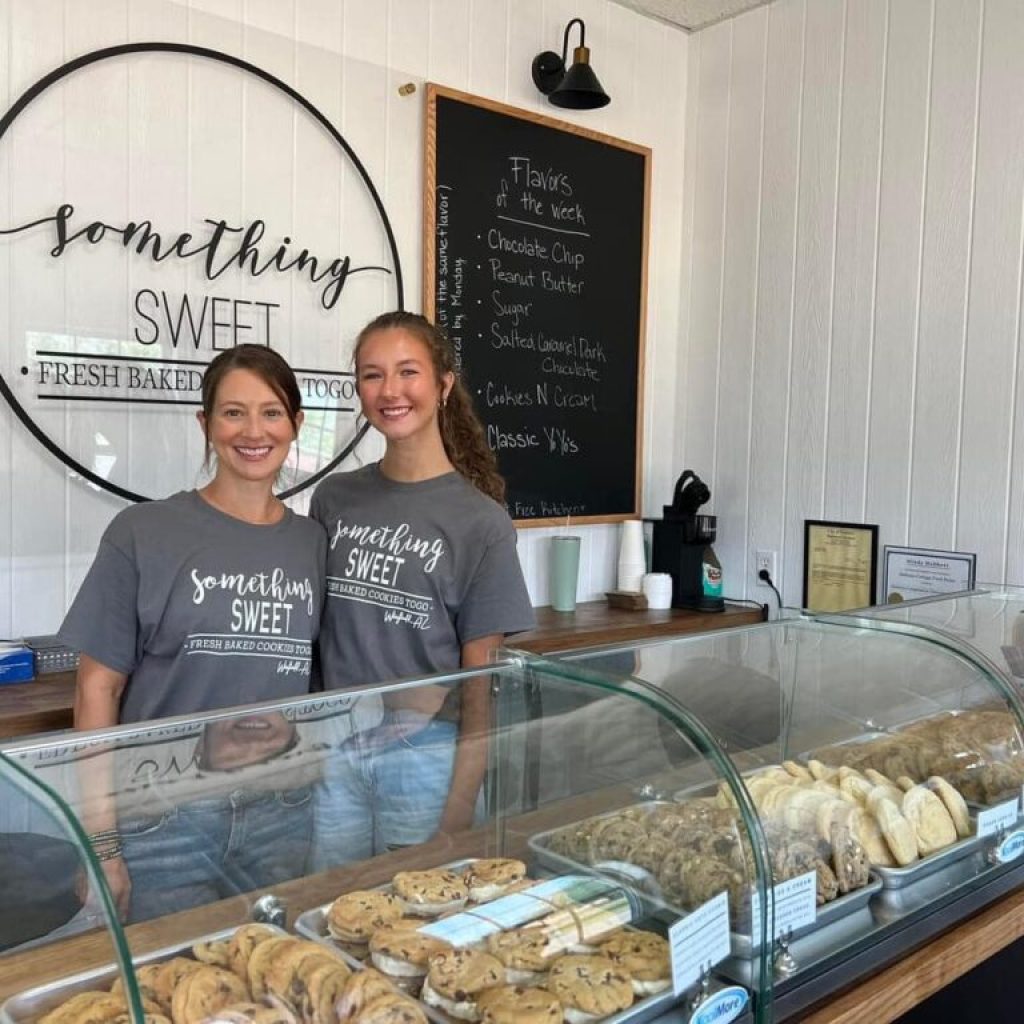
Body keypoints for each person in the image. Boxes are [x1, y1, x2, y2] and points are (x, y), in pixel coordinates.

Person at [58, 343, 326, 921]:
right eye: (233, 412)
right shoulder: (142, 532)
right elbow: (96, 690)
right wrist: (100, 844)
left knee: (273, 970)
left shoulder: (312, 542)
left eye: (271, 412)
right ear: (205, 424)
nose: (253, 431)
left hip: (282, 812)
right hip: (162, 818)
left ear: (296, 424)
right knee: (169, 975)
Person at [310, 311, 534, 865]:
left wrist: (458, 811)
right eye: (373, 375)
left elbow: (482, 686)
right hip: (335, 749)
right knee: (329, 902)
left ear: (444, 384)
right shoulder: (334, 498)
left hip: (426, 755)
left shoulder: (482, 523)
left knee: (418, 909)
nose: (390, 391)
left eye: (408, 371)